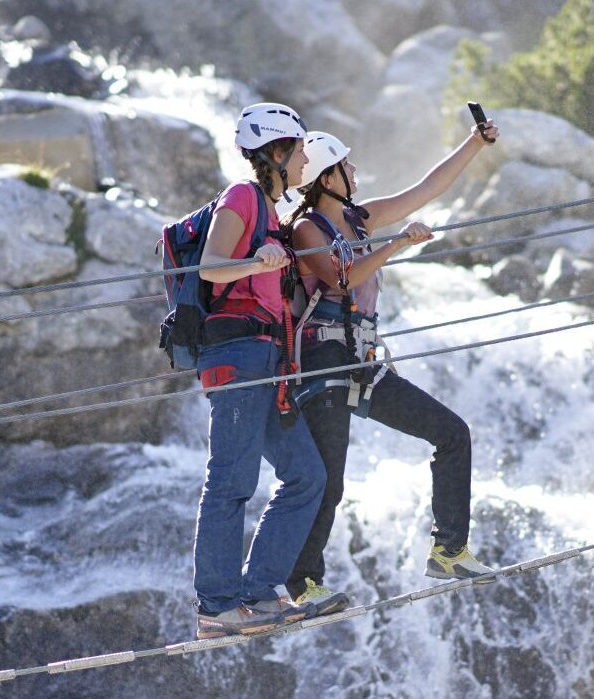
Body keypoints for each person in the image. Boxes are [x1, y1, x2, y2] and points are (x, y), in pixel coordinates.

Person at [281, 119, 502, 616]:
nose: (354, 169)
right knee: (328, 480)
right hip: (321, 362)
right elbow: (341, 278)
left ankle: (448, 550)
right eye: (345, 165)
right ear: (324, 176)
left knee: (452, 432)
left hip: (359, 357)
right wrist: (397, 243)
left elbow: (427, 188)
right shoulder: (304, 230)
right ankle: (301, 584)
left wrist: (474, 143)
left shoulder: (360, 219)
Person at [190, 102, 327, 639]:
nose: (304, 162)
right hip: (238, 353)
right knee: (232, 479)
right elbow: (208, 265)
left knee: (306, 474)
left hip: (269, 358)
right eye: (298, 152)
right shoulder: (242, 196)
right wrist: (257, 262)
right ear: (276, 152)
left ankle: (258, 592)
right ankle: (216, 605)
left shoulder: (273, 213)